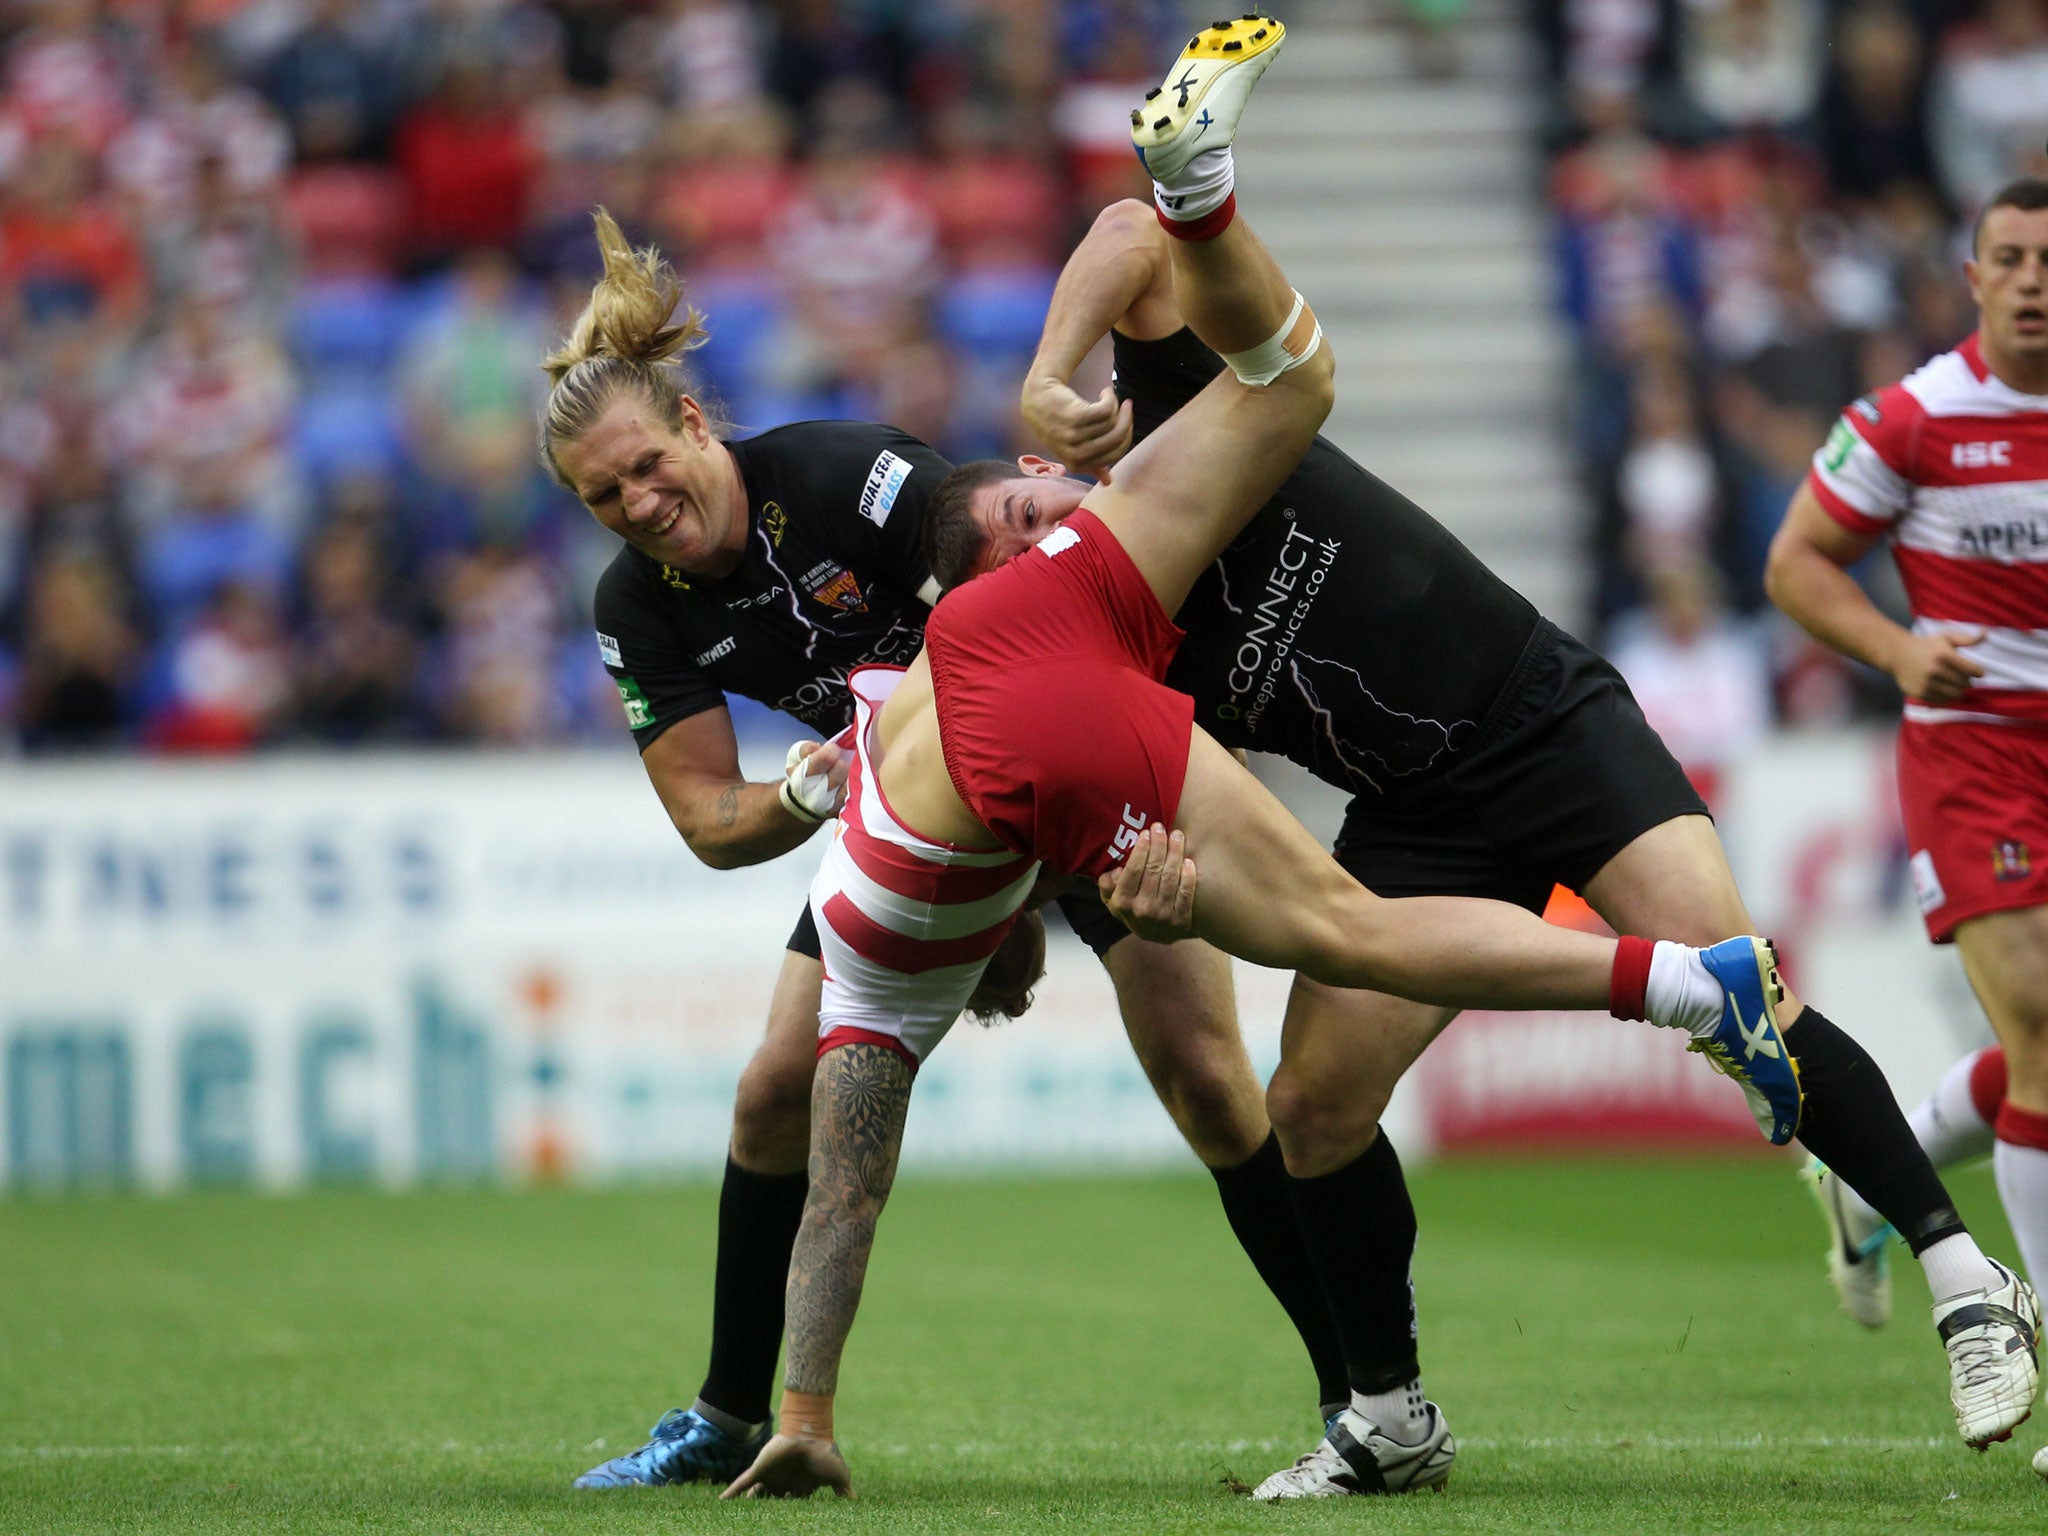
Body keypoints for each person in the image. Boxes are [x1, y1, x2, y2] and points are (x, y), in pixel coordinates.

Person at [715, 20, 1909, 1500]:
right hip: (1044, 706)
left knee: (1312, 982)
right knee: (1287, 391)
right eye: (1026, 503)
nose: (1042, 495)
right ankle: (1202, 190)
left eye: (1032, 493)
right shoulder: (953, 717)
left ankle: (1412, 1366)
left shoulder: (885, 950)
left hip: (1068, 737)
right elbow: (928, 796)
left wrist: (809, 1415)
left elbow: (850, 1179)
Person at [538, 210, 1350, 1482]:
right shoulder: (634, 608)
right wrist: (806, 804)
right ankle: (728, 1420)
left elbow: (1038, 599)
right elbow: (708, 821)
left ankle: (1363, 1394)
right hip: (904, 815)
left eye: (648, 463)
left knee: (1203, 1074)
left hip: (1073, 748)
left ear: (697, 424)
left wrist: (1022, 886)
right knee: (769, 1089)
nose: (640, 503)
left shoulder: (846, 477)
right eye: (604, 498)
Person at [1766, 179, 2048, 1398]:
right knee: (2037, 1026)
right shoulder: (1915, 419)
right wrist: (1893, 650)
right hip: (1974, 750)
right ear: (1972, 277)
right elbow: (1795, 564)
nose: (2034, 279)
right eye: (2011, 257)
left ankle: (1865, 1173)